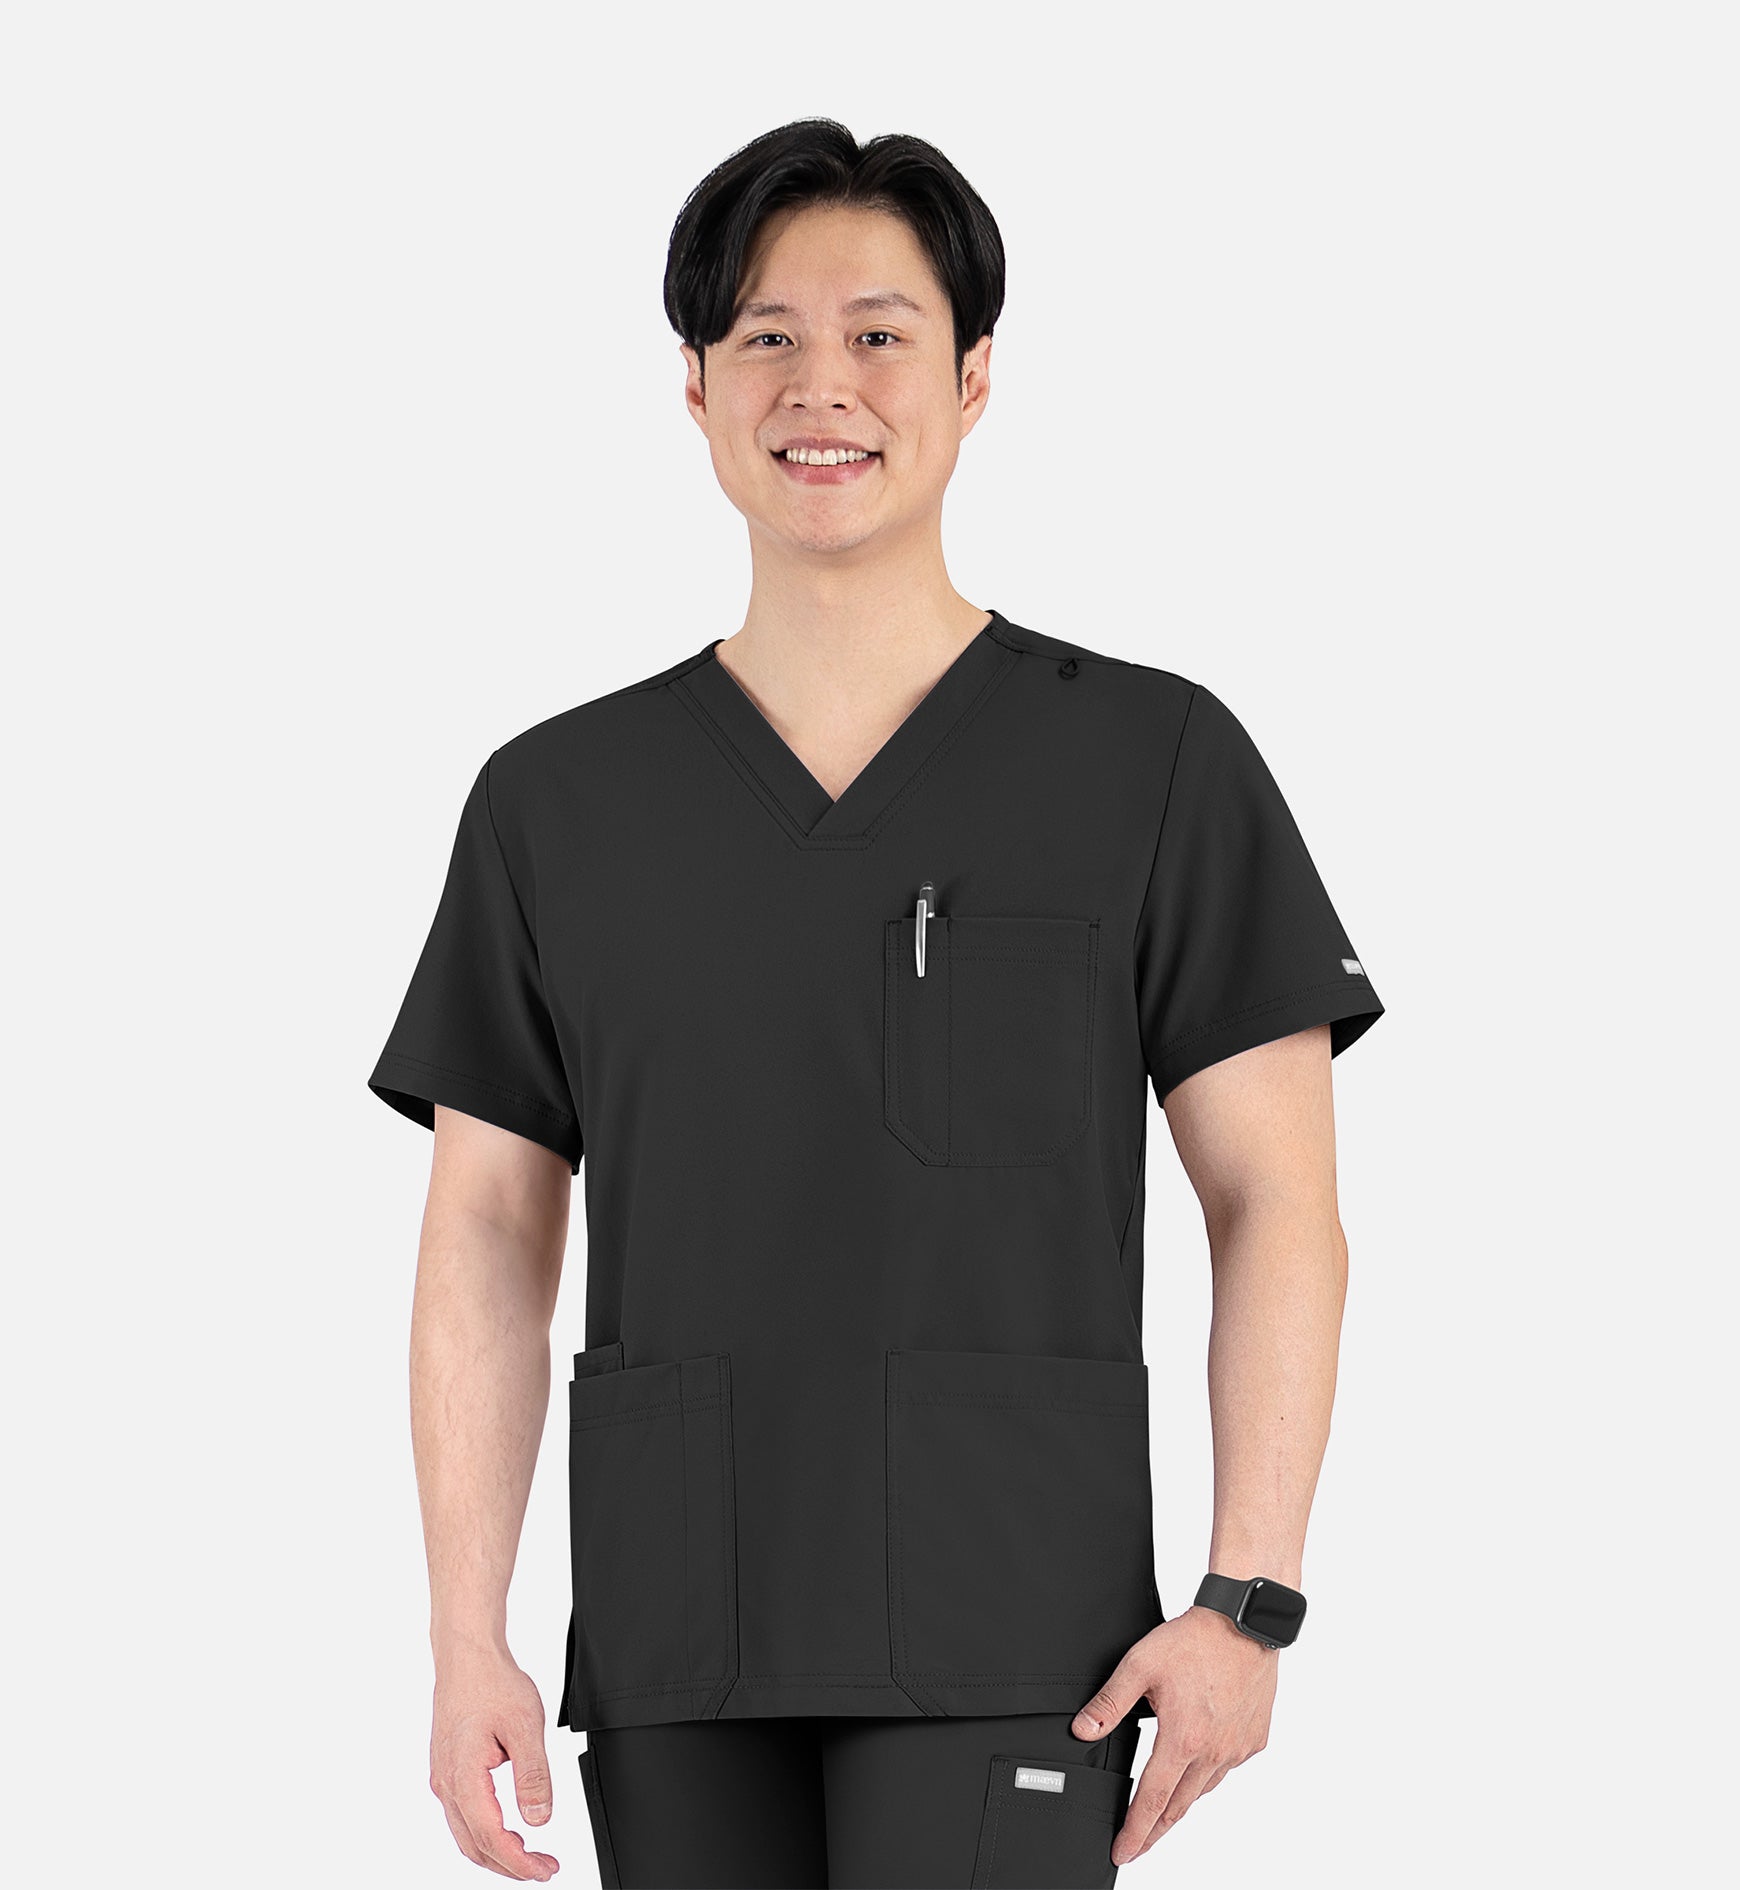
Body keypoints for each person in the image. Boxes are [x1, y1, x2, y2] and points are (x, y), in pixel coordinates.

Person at [367, 117, 1383, 1890]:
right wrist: (469, 1635)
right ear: (695, 388)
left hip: (1023, 1634)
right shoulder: (557, 803)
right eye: (764, 335)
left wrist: (1250, 1597)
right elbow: (486, 1227)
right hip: (681, 1642)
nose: (819, 385)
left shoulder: (1152, 761)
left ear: (975, 378)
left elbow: (1275, 1193)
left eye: (879, 334)